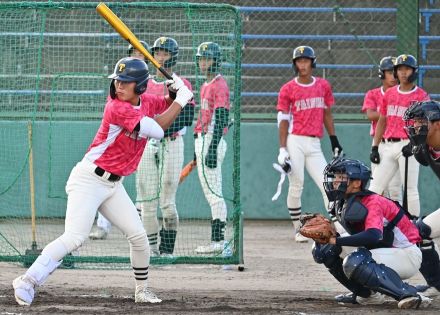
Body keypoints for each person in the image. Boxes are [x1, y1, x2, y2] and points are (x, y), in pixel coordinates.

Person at [12, 57, 194, 305]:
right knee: (75, 237)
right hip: (89, 179)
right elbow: (159, 129)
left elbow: (164, 105)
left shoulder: (146, 101)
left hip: (112, 185)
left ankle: (142, 290)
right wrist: (182, 100)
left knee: (138, 236)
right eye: (117, 80)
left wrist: (173, 92)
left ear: (140, 86)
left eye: (126, 82)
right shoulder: (116, 107)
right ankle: (28, 280)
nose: (119, 85)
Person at [313, 157, 431, 309]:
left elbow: (373, 235)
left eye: (342, 177)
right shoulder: (343, 201)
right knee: (324, 250)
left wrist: (336, 240)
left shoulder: (372, 201)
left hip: (406, 254)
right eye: (335, 176)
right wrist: (329, 235)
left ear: (357, 183)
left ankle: (409, 294)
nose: (335, 181)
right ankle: (367, 295)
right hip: (383, 249)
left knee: (356, 261)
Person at [276, 45, 343, 243]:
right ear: (294, 64)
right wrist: (282, 149)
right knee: (297, 184)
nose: (302, 64)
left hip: (314, 143)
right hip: (295, 139)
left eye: (305, 60)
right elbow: (284, 120)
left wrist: (334, 140)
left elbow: (327, 114)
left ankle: (336, 226)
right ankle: (298, 229)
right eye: (299, 61)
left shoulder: (322, 85)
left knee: (327, 185)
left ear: (312, 63)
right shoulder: (288, 88)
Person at [135, 36, 195, 257]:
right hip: (148, 143)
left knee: (167, 201)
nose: (160, 57)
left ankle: (167, 250)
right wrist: (153, 131)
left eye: (165, 53)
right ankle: (150, 250)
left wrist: (160, 128)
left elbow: (187, 116)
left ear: (173, 57)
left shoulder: (181, 83)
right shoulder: (145, 83)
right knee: (147, 200)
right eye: (157, 53)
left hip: (171, 141)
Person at [89, 40, 151, 240]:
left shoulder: (146, 88)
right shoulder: (120, 92)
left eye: (140, 54)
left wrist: (175, 97)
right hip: (122, 141)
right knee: (106, 181)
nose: (136, 56)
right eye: (133, 53)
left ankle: (136, 226)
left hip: (140, 143)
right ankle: (102, 226)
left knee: (138, 187)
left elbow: (156, 106)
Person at [369, 54, 429, 218]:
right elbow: (382, 120)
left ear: (414, 71)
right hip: (388, 145)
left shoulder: (421, 95)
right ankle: (372, 224)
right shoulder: (389, 93)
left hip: (409, 146)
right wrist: (375, 147)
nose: (403, 72)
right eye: (399, 69)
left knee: (410, 189)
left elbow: (424, 124)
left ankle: (414, 227)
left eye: (407, 69)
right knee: (375, 187)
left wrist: (415, 144)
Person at [192, 42, 230, 254]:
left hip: (211, 140)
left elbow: (222, 115)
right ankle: (218, 241)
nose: (203, 62)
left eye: (207, 58)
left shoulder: (219, 84)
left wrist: (212, 147)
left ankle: (218, 241)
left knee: (215, 193)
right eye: (201, 58)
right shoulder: (205, 85)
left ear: (216, 60)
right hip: (202, 139)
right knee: (211, 193)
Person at [403, 100, 440, 296]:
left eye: (422, 121)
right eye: (415, 122)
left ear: (437, 124)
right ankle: (437, 284)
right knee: (419, 232)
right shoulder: (425, 147)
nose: (417, 126)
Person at [362, 56, 402, 202]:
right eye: (389, 72)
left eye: (395, 71)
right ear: (382, 73)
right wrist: (391, 114)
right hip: (379, 143)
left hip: (397, 143)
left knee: (395, 188)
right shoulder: (373, 94)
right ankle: (379, 220)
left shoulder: (401, 94)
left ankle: (398, 222)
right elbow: (371, 114)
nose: (393, 75)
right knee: (378, 187)